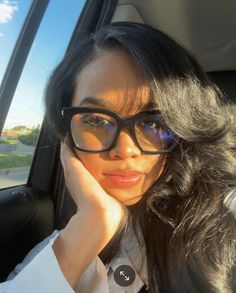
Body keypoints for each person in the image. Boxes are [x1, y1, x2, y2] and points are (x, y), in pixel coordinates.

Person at [1, 22, 236, 293]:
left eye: (154, 123)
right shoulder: (58, 247)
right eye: (95, 120)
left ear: (184, 129)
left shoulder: (224, 219)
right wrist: (93, 221)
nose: (124, 149)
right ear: (68, 133)